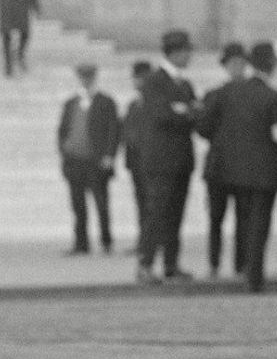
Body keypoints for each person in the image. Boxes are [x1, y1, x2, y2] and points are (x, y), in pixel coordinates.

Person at [194, 43, 277, 292]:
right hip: (264, 169)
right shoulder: (273, 96)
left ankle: (234, 265)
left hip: (230, 169)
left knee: (238, 218)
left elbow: (204, 126)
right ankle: (254, 273)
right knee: (258, 222)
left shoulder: (225, 93)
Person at [133, 31, 199, 283]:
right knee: (157, 212)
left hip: (181, 158)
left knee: (175, 213)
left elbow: (192, 113)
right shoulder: (154, 81)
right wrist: (185, 112)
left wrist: (184, 112)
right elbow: (164, 115)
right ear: (174, 52)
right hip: (160, 159)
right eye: (186, 51)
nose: (189, 56)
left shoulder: (185, 84)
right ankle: (146, 263)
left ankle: (171, 263)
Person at [57, 63, 120, 255]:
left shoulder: (105, 101)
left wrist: (109, 155)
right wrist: (64, 149)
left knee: (101, 203)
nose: (86, 80)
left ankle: (106, 240)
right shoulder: (71, 102)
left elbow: (113, 130)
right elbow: (63, 129)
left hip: (96, 160)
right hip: (75, 160)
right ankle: (81, 243)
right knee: (78, 205)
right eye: (83, 76)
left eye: (89, 76)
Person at [201, 42, 243, 275]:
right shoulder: (215, 95)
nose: (237, 68)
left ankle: (241, 263)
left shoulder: (251, 94)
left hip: (240, 164)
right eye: (232, 64)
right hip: (218, 164)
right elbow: (203, 127)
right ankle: (214, 262)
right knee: (216, 217)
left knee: (242, 218)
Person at [119, 61, 156, 256]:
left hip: (150, 162)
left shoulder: (154, 103)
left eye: (139, 77)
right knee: (141, 203)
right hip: (136, 163)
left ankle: (152, 242)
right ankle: (144, 240)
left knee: (152, 204)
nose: (136, 81)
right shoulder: (134, 104)